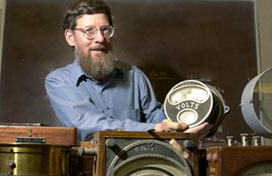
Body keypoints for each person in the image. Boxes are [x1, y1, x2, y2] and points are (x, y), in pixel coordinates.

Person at [45, 0, 212, 141]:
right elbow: (88, 125)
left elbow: (156, 119)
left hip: (139, 170)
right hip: (88, 174)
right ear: (70, 37)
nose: (100, 38)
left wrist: (187, 115)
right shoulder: (59, 81)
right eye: (89, 31)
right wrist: (156, 128)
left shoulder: (135, 75)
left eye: (105, 29)